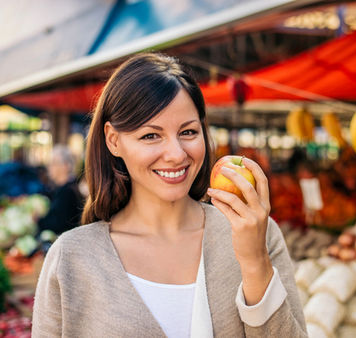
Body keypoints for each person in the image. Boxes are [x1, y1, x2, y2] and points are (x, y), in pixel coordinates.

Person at [32, 53, 307, 337]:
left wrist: (254, 262)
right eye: (151, 135)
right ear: (113, 140)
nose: (176, 155)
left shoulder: (258, 234)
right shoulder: (72, 259)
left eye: (188, 132)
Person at [37, 144, 85, 234]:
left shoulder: (67, 192)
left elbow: (58, 224)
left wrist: (37, 220)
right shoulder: (59, 188)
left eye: (54, 163)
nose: (49, 167)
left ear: (66, 166)